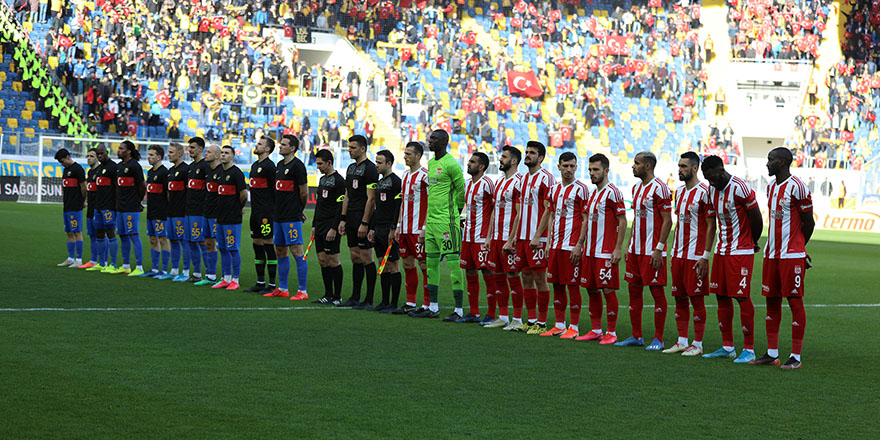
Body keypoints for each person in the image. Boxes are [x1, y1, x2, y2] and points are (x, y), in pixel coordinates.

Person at [751, 147, 814, 370]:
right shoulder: (770, 187)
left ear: (783, 162)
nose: (767, 163)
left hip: (791, 255)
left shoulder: (797, 187)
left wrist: (799, 248)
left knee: (794, 301)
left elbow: (809, 222)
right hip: (771, 253)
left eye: (771, 160)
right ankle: (772, 353)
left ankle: (795, 356)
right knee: (771, 301)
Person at [699, 155, 763, 363]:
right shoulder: (711, 190)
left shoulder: (740, 188)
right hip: (721, 250)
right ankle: (727, 346)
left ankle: (749, 349)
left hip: (741, 251)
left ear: (721, 169)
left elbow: (757, 218)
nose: (711, 182)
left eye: (713, 177)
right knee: (721, 296)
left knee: (742, 297)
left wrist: (752, 241)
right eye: (707, 178)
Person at [616, 151, 672, 350]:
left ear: (647, 166)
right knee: (633, 292)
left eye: (637, 163)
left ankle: (658, 338)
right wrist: (629, 245)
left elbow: (668, 221)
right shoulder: (636, 188)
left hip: (652, 252)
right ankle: (636, 336)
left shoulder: (661, 189)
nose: (633, 166)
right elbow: (637, 221)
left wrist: (658, 249)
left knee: (657, 293)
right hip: (636, 251)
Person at [532, 152, 589, 339]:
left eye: (572, 166)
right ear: (559, 167)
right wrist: (548, 241)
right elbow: (550, 216)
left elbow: (585, 219)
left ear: (576, 167)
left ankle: (574, 326)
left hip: (571, 246)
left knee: (572, 286)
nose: (569, 170)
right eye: (565, 166)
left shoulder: (581, 189)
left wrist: (579, 245)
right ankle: (558, 325)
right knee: (556, 285)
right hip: (555, 246)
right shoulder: (554, 189)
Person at [410, 130, 466, 319]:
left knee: (453, 265)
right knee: (430, 264)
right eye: (430, 138)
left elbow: (461, 191)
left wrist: (455, 213)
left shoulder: (451, 164)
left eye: (433, 139)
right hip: (432, 223)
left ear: (443, 142)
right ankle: (432, 307)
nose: (429, 141)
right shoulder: (432, 164)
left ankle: (459, 310)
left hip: (447, 223)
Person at [662, 152, 713, 356]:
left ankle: (698, 344)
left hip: (696, 256)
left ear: (694, 168)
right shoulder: (679, 192)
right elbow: (678, 225)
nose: (679, 170)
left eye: (683, 166)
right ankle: (682, 340)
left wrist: (706, 255)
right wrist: (673, 251)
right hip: (679, 255)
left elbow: (711, 226)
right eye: (679, 165)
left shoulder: (705, 192)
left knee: (696, 300)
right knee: (680, 298)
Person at [573, 153, 626, 344]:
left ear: (606, 170)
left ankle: (611, 332)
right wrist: (580, 244)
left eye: (595, 170)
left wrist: (618, 248)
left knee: (608, 290)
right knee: (591, 290)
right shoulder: (593, 193)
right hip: (590, 252)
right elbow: (586, 221)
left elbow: (623, 220)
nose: (592, 173)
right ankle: (596, 330)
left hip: (605, 252)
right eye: (589, 170)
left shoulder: (613, 192)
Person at [504, 141, 555, 333]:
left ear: (540, 157)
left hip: (537, 239)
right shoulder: (523, 179)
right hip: (523, 238)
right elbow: (519, 212)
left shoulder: (546, 179)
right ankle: (531, 320)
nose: (528, 155)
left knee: (540, 278)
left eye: (532, 153)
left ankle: (542, 323)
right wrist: (514, 237)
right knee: (526, 276)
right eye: (526, 152)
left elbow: (549, 210)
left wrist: (540, 236)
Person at [264, 135, 309, 299]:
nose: (280, 146)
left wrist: (299, 210)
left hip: (291, 216)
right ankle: (283, 289)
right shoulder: (279, 166)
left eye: (283, 144)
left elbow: (304, 192)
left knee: (297, 251)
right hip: (278, 215)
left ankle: (303, 291)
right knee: (280, 250)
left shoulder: (298, 166)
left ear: (292, 148)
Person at [483, 146, 523, 328]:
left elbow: (519, 212)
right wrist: (489, 237)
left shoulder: (519, 182)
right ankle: (504, 316)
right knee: (497, 276)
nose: (500, 160)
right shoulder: (499, 183)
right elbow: (493, 212)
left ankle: (518, 318)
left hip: (509, 238)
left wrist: (512, 238)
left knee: (513, 275)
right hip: (497, 237)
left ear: (513, 161)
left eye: (504, 157)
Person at [337, 135, 379, 308]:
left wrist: (364, 222)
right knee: (355, 257)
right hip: (351, 218)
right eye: (349, 147)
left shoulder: (370, 169)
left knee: (366, 257)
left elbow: (371, 199)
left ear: (363, 149)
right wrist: (343, 218)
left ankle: (368, 299)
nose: (349, 150)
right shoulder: (351, 168)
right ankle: (355, 297)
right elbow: (347, 195)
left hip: (363, 218)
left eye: (353, 147)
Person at [459, 152, 495, 323]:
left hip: (482, 237)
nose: (468, 164)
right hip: (467, 236)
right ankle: (473, 313)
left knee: (488, 272)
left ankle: (492, 314)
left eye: (472, 162)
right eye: (469, 161)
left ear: (481, 167)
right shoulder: (467, 185)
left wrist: (489, 236)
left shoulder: (488, 184)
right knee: (469, 272)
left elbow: (495, 210)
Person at [394, 141, 430, 314]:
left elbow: (431, 203)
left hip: (419, 230)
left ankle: (428, 304)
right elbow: (403, 203)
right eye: (405, 153)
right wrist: (399, 225)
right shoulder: (405, 175)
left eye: (408, 154)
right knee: (407, 264)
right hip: (405, 229)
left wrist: (425, 227)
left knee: (424, 265)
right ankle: (410, 302)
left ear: (418, 156)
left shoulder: (425, 176)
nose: (405, 157)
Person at [311, 149, 346, 305]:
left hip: (331, 226)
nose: (318, 166)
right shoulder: (322, 179)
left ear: (329, 162)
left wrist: (334, 228)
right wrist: (313, 225)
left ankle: (337, 297)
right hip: (319, 225)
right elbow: (319, 204)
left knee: (333, 260)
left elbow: (340, 207)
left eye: (320, 163)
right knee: (322, 260)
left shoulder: (339, 181)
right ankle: (328, 294)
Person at [211, 145, 249, 290]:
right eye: (222, 153)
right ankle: (226, 278)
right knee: (222, 247)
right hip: (220, 217)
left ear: (233, 156)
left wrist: (238, 208)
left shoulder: (236, 173)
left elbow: (244, 194)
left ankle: (235, 279)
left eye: (227, 153)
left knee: (233, 248)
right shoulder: (220, 172)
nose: (223, 155)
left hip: (232, 218)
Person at [370, 150, 403, 312]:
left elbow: (398, 207)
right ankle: (384, 301)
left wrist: (394, 228)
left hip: (389, 228)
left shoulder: (396, 182)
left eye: (379, 162)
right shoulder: (380, 182)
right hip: (378, 228)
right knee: (382, 264)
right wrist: (371, 228)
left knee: (393, 265)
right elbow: (377, 208)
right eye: (376, 162)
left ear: (388, 164)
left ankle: (393, 303)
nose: (376, 165)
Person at [245, 136, 278, 294]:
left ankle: (271, 285)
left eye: (259, 144)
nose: (256, 145)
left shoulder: (270, 167)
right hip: (255, 212)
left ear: (267, 149)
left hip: (266, 213)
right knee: (257, 244)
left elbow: (275, 190)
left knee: (268, 244)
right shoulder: (254, 165)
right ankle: (260, 282)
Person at [115, 140, 147, 276]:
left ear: (128, 151)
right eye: (119, 148)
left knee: (133, 235)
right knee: (122, 235)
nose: (118, 150)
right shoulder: (119, 166)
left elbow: (142, 186)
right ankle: (126, 265)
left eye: (121, 149)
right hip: (120, 207)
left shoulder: (134, 166)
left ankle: (139, 267)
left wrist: (137, 201)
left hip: (131, 207)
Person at [162, 143, 191, 281]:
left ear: (180, 153)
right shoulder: (170, 171)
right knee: (173, 240)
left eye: (171, 152)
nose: (169, 154)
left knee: (183, 241)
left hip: (182, 212)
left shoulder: (186, 170)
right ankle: (174, 270)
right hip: (171, 211)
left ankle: (185, 272)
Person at [195, 145, 222, 286]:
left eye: (209, 152)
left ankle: (227, 277)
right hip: (206, 213)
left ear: (217, 156)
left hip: (218, 215)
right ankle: (210, 275)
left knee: (222, 245)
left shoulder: (222, 171)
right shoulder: (207, 170)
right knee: (208, 243)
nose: (206, 154)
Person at [143, 145, 171, 278]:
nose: (149, 157)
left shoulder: (164, 173)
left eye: (151, 155)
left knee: (162, 239)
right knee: (153, 239)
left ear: (159, 157)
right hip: (151, 211)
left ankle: (164, 270)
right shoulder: (150, 172)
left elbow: (168, 193)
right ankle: (154, 269)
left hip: (160, 212)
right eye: (148, 155)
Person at [55, 148, 86, 268]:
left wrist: (82, 201)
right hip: (67, 206)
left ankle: (79, 259)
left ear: (68, 157)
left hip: (75, 206)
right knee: (69, 232)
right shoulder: (66, 170)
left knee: (77, 231)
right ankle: (70, 258)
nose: (61, 164)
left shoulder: (78, 169)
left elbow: (84, 187)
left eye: (62, 161)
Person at [184, 137, 209, 283]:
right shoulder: (191, 167)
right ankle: (197, 273)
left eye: (192, 147)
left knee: (200, 242)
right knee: (191, 241)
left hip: (199, 212)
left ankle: (209, 273)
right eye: (189, 147)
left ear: (201, 149)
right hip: (189, 210)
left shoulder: (205, 166)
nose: (190, 150)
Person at [93, 145, 120, 273]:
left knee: (110, 233)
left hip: (109, 207)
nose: (99, 156)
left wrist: (116, 204)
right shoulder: (99, 168)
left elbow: (117, 187)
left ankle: (113, 264)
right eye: (97, 154)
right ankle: (101, 262)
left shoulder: (113, 167)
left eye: (101, 153)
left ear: (107, 152)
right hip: (98, 206)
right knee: (98, 233)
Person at [81, 148, 102, 270]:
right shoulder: (89, 172)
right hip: (90, 207)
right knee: (92, 235)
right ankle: (93, 260)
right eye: (87, 156)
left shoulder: (101, 171)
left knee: (101, 235)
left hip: (99, 208)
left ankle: (102, 261)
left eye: (92, 156)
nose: (89, 158)